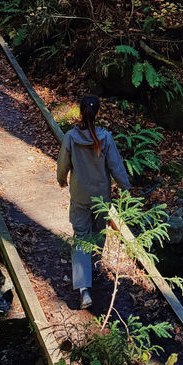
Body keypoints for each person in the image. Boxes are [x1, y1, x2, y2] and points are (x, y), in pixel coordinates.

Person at [56, 94, 130, 309]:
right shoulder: (105, 138)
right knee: (98, 231)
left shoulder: (71, 137)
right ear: (98, 113)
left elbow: (63, 163)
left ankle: (84, 289)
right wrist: (125, 187)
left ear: (80, 113)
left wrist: (61, 179)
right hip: (101, 197)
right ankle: (94, 267)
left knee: (81, 236)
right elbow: (116, 166)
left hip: (79, 195)